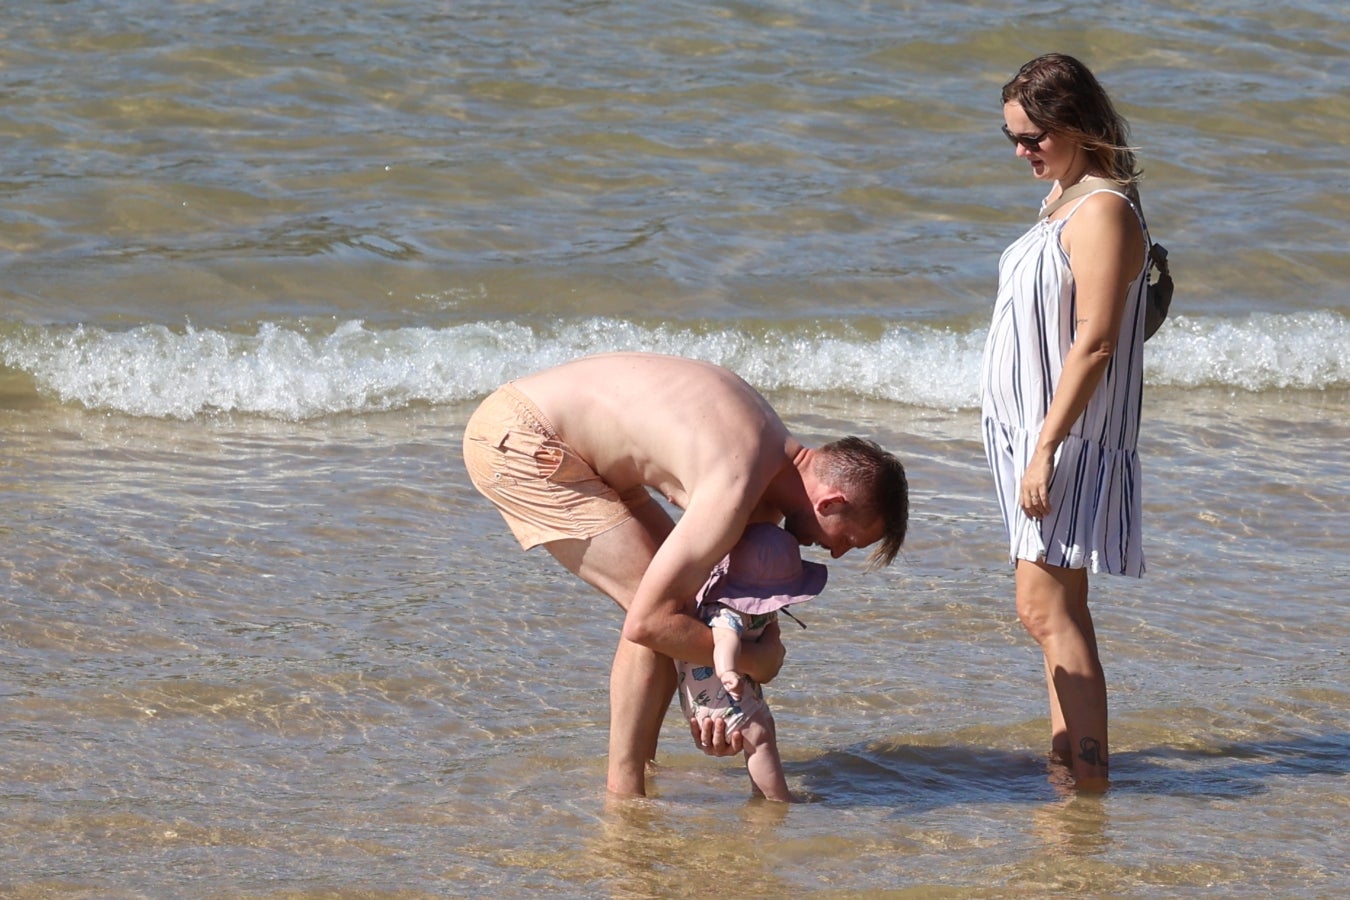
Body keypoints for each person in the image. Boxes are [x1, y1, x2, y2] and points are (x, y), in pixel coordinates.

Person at [461, 352, 909, 798]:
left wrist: (727, 695)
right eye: (848, 539)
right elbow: (650, 622)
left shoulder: (770, 466)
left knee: (675, 603)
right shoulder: (738, 482)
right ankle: (624, 797)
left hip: (574, 447)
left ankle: (645, 770)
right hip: (522, 440)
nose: (835, 551)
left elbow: (728, 606)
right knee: (653, 605)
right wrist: (755, 663)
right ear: (830, 503)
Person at [981, 53, 1153, 790]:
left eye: (1033, 137)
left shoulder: (1103, 209)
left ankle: (1087, 781)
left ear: (1075, 124)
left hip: (1068, 436)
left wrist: (1046, 447)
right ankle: (1069, 762)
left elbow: (1098, 340)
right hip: (1038, 435)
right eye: (1011, 138)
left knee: (1043, 605)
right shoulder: (1061, 198)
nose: (1022, 151)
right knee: (1056, 605)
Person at [676, 522, 828, 802]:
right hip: (718, 693)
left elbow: (769, 635)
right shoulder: (726, 612)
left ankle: (761, 793)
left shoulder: (756, 610)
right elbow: (725, 641)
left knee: (765, 730)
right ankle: (778, 799)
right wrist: (728, 670)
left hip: (729, 692)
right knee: (758, 737)